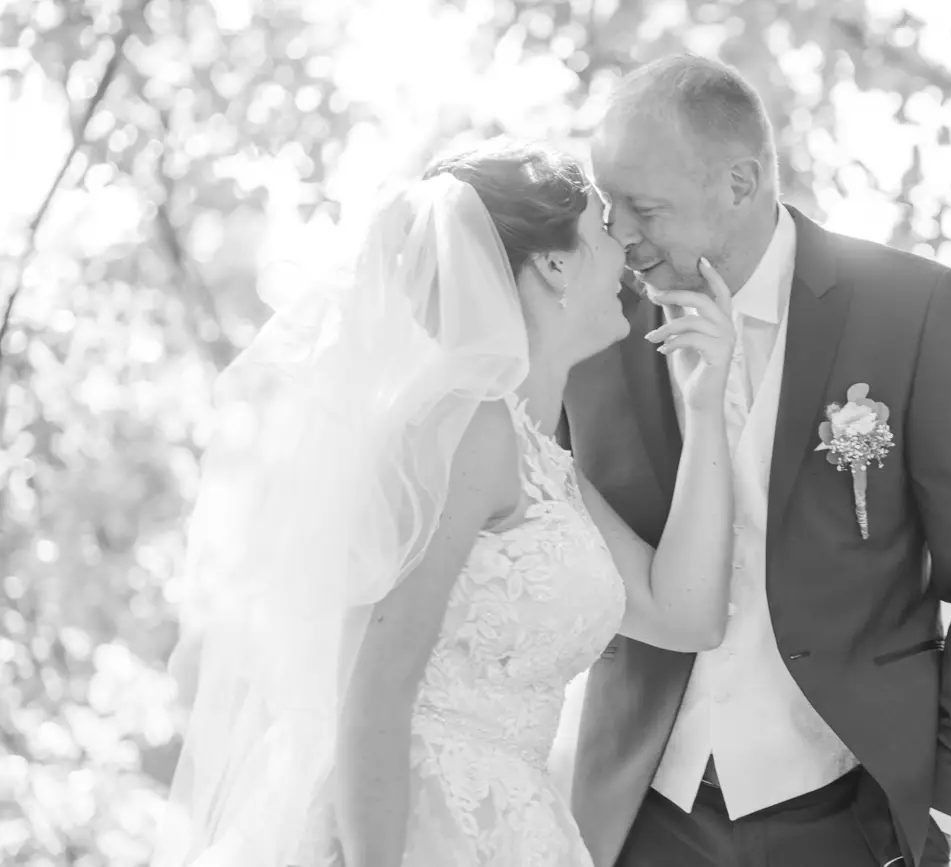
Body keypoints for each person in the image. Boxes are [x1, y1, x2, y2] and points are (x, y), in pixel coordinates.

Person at [156, 141, 739, 867]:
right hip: (415, 822)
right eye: (601, 228)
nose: (624, 246)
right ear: (554, 265)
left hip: (514, 827)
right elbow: (373, 689)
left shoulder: (543, 462)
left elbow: (685, 614)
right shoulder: (466, 429)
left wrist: (706, 405)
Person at [563, 55, 951, 867]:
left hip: (850, 811)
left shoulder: (909, 308)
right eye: (608, 205)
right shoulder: (590, 322)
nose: (620, 234)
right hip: (639, 812)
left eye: (645, 208)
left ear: (741, 182)